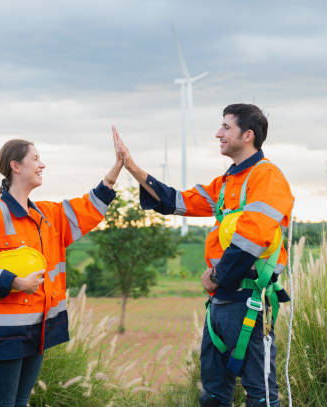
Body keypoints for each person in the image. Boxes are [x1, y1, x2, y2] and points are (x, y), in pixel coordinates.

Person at [115, 104, 294, 407]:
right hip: (221, 304)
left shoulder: (267, 178)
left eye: (226, 127)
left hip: (250, 302)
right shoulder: (225, 183)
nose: (218, 133)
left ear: (247, 135)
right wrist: (131, 166)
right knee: (212, 394)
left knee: (260, 396)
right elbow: (176, 200)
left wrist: (214, 276)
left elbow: (252, 238)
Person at [0, 131, 123, 407]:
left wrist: (117, 168)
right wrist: (16, 282)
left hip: (37, 330)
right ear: (16, 166)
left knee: (20, 403)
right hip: (6, 333)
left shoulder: (47, 216)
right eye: (35, 158)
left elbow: (88, 208)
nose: (42, 164)